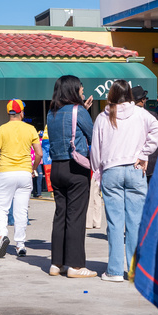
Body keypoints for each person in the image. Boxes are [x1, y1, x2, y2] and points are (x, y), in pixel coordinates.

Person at [89, 80, 158, 282]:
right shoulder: (140, 113)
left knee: (114, 223)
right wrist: (144, 153)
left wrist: (98, 170)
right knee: (135, 223)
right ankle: (134, 271)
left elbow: (95, 149)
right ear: (130, 95)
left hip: (111, 170)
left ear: (111, 95)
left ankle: (114, 271)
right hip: (135, 168)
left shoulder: (103, 116)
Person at [45, 75, 97, 278]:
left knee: (61, 214)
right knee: (76, 216)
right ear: (73, 90)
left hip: (56, 167)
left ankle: (56, 263)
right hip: (76, 167)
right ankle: (75, 265)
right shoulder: (79, 111)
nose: (83, 91)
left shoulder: (51, 113)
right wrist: (83, 110)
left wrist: (81, 108)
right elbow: (93, 136)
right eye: (81, 88)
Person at [0, 100, 42, 258]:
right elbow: (39, 153)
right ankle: (21, 245)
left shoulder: (2, 129)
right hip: (24, 174)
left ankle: (2, 235)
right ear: (21, 112)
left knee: (1, 208)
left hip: (6, 173)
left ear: (9, 113)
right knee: (21, 211)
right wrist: (33, 168)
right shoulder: (30, 129)